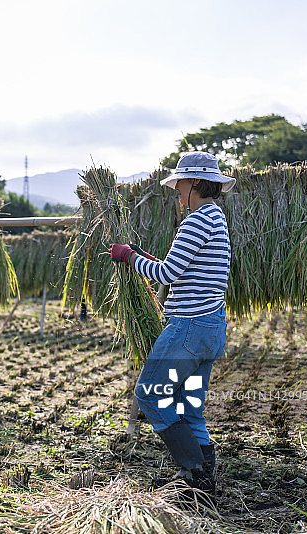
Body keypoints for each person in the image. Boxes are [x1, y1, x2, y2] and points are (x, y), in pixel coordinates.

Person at [109, 151, 235, 491]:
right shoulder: (216, 219)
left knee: (150, 394)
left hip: (188, 328)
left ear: (195, 182)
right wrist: (147, 258)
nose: (176, 190)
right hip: (211, 326)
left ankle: (191, 466)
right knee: (188, 405)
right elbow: (183, 271)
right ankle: (201, 480)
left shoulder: (196, 221)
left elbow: (167, 273)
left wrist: (129, 256)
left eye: (179, 183)